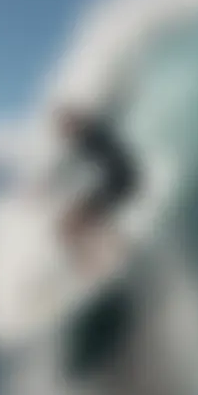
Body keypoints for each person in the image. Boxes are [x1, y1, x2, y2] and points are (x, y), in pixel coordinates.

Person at [50, 102, 140, 274]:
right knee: (81, 224)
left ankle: (90, 268)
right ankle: (119, 255)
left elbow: (68, 168)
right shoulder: (89, 135)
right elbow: (69, 169)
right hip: (120, 182)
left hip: (120, 182)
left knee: (68, 227)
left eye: (64, 126)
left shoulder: (90, 135)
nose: (63, 133)